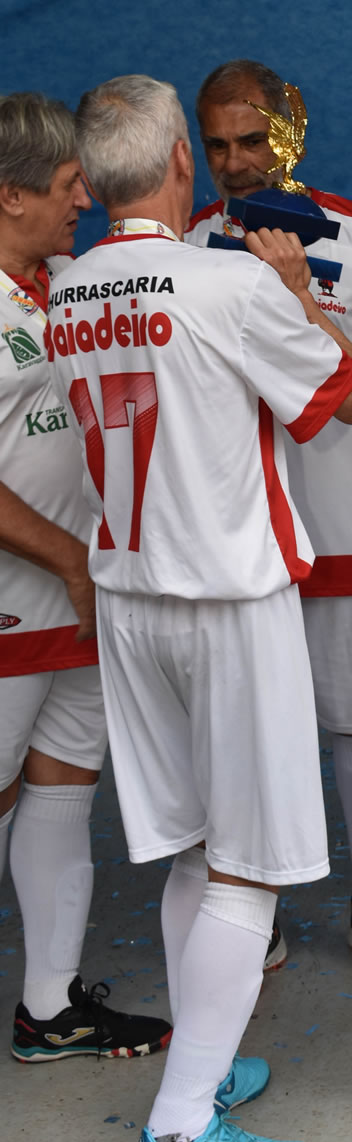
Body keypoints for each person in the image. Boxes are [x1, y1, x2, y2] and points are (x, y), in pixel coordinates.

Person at [47, 75, 352, 1142]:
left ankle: (206, 1064)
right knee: (246, 865)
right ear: (182, 160)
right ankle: (180, 1132)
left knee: (196, 847)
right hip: (228, 600)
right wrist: (298, 294)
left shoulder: (67, 289)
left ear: (94, 179)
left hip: (131, 599)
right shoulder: (231, 282)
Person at [186, 60, 352, 982]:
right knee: (239, 736)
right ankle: (253, 909)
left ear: (290, 131)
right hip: (234, 536)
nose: (235, 162)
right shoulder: (185, 247)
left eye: (251, 139)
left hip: (343, 519)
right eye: (217, 145)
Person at [1, 93, 173, 1066]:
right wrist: (71, 559)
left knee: (66, 784)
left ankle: (50, 1006)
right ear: (10, 194)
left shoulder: (67, 285)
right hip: (24, 602)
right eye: (69, 186)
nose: (83, 200)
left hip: (85, 600)